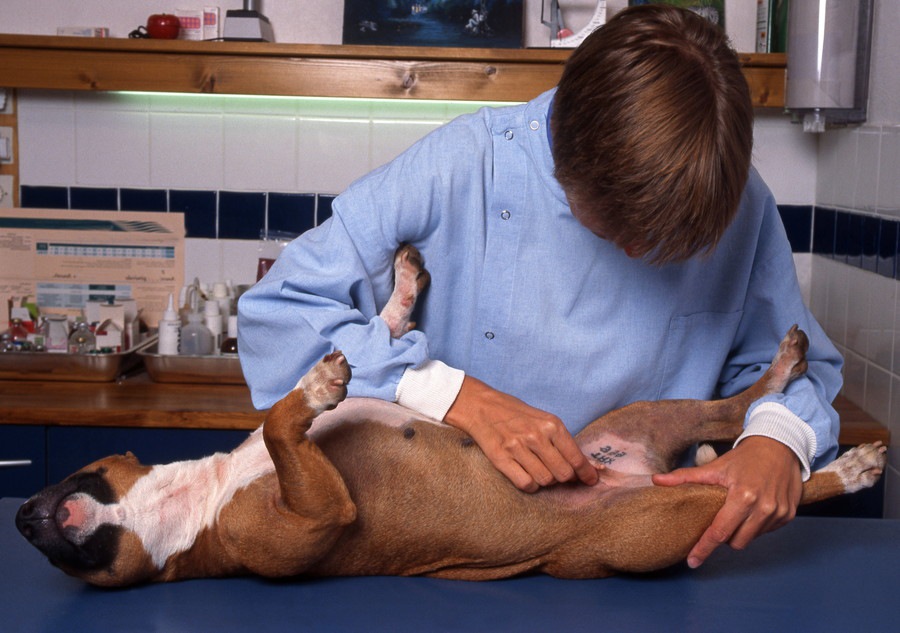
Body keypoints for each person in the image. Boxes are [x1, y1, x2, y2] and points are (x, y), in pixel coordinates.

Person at [237, 5, 842, 570]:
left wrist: (778, 439)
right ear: (567, 155)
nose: (638, 256)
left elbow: (780, 360)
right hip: (443, 539)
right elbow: (279, 316)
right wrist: (450, 394)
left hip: (633, 545)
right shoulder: (465, 164)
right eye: (619, 232)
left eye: (669, 249)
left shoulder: (739, 199)